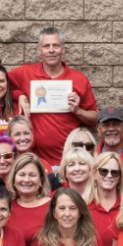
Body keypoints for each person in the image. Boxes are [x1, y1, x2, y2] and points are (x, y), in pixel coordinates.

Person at [9, 27, 98, 167]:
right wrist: (19, 95)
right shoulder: (25, 73)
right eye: (46, 46)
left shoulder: (79, 79)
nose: (51, 50)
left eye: (56, 46)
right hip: (34, 160)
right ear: (39, 50)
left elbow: (95, 118)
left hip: (69, 161)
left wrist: (78, 111)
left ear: (63, 49)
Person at [5, 152, 52, 246]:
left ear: (41, 180)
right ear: (14, 179)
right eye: (22, 175)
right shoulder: (5, 206)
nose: (26, 180)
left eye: (32, 175)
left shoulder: (53, 206)